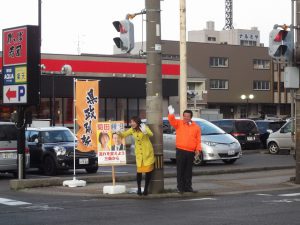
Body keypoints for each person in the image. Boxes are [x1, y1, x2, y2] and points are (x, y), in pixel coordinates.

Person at [117, 116, 155, 196]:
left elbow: (151, 134)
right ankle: (139, 189)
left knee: (148, 172)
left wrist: (145, 132)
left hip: (147, 153)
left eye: (133, 122)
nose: (132, 123)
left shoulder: (144, 127)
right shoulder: (132, 130)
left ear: (137, 122)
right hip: (139, 154)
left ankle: (146, 189)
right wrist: (119, 132)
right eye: (131, 122)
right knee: (139, 172)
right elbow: (124, 135)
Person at [168, 105, 201, 193]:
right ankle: (180, 188)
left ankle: (188, 187)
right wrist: (171, 114)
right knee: (180, 170)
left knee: (188, 171)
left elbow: (198, 140)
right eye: (184, 116)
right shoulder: (179, 123)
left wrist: (198, 150)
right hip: (180, 150)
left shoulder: (196, 127)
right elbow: (172, 121)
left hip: (191, 152)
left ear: (191, 117)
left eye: (188, 116)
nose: (186, 118)